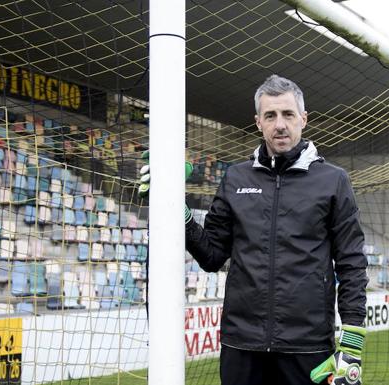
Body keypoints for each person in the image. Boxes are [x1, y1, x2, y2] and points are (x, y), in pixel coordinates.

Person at [140, 74, 368, 385]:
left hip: (307, 345)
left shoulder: (333, 180)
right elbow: (211, 256)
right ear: (258, 122)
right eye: (270, 115)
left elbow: (351, 261)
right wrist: (174, 208)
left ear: (303, 118)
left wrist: (352, 340)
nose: (280, 125)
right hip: (241, 344)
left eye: (288, 114)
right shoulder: (236, 178)